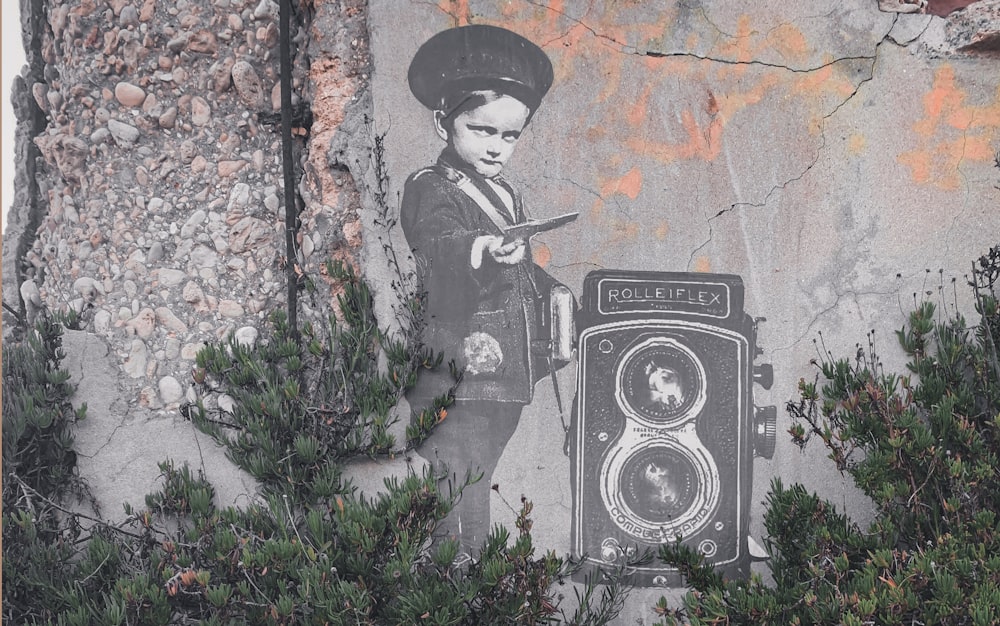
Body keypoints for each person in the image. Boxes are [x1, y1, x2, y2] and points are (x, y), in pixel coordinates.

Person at [401, 24, 567, 555]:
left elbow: (515, 272)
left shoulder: (504, 194)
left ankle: (461, 572)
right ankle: (454, 577)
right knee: (457, 476)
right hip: (458, 374)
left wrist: (553, 290)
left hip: (502, 376)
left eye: (510, 136)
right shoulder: (431, 188)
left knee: (475, 473)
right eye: (481, 131)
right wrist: (481, 249)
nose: (496, 147)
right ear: (442, 123)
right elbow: (437, 243)